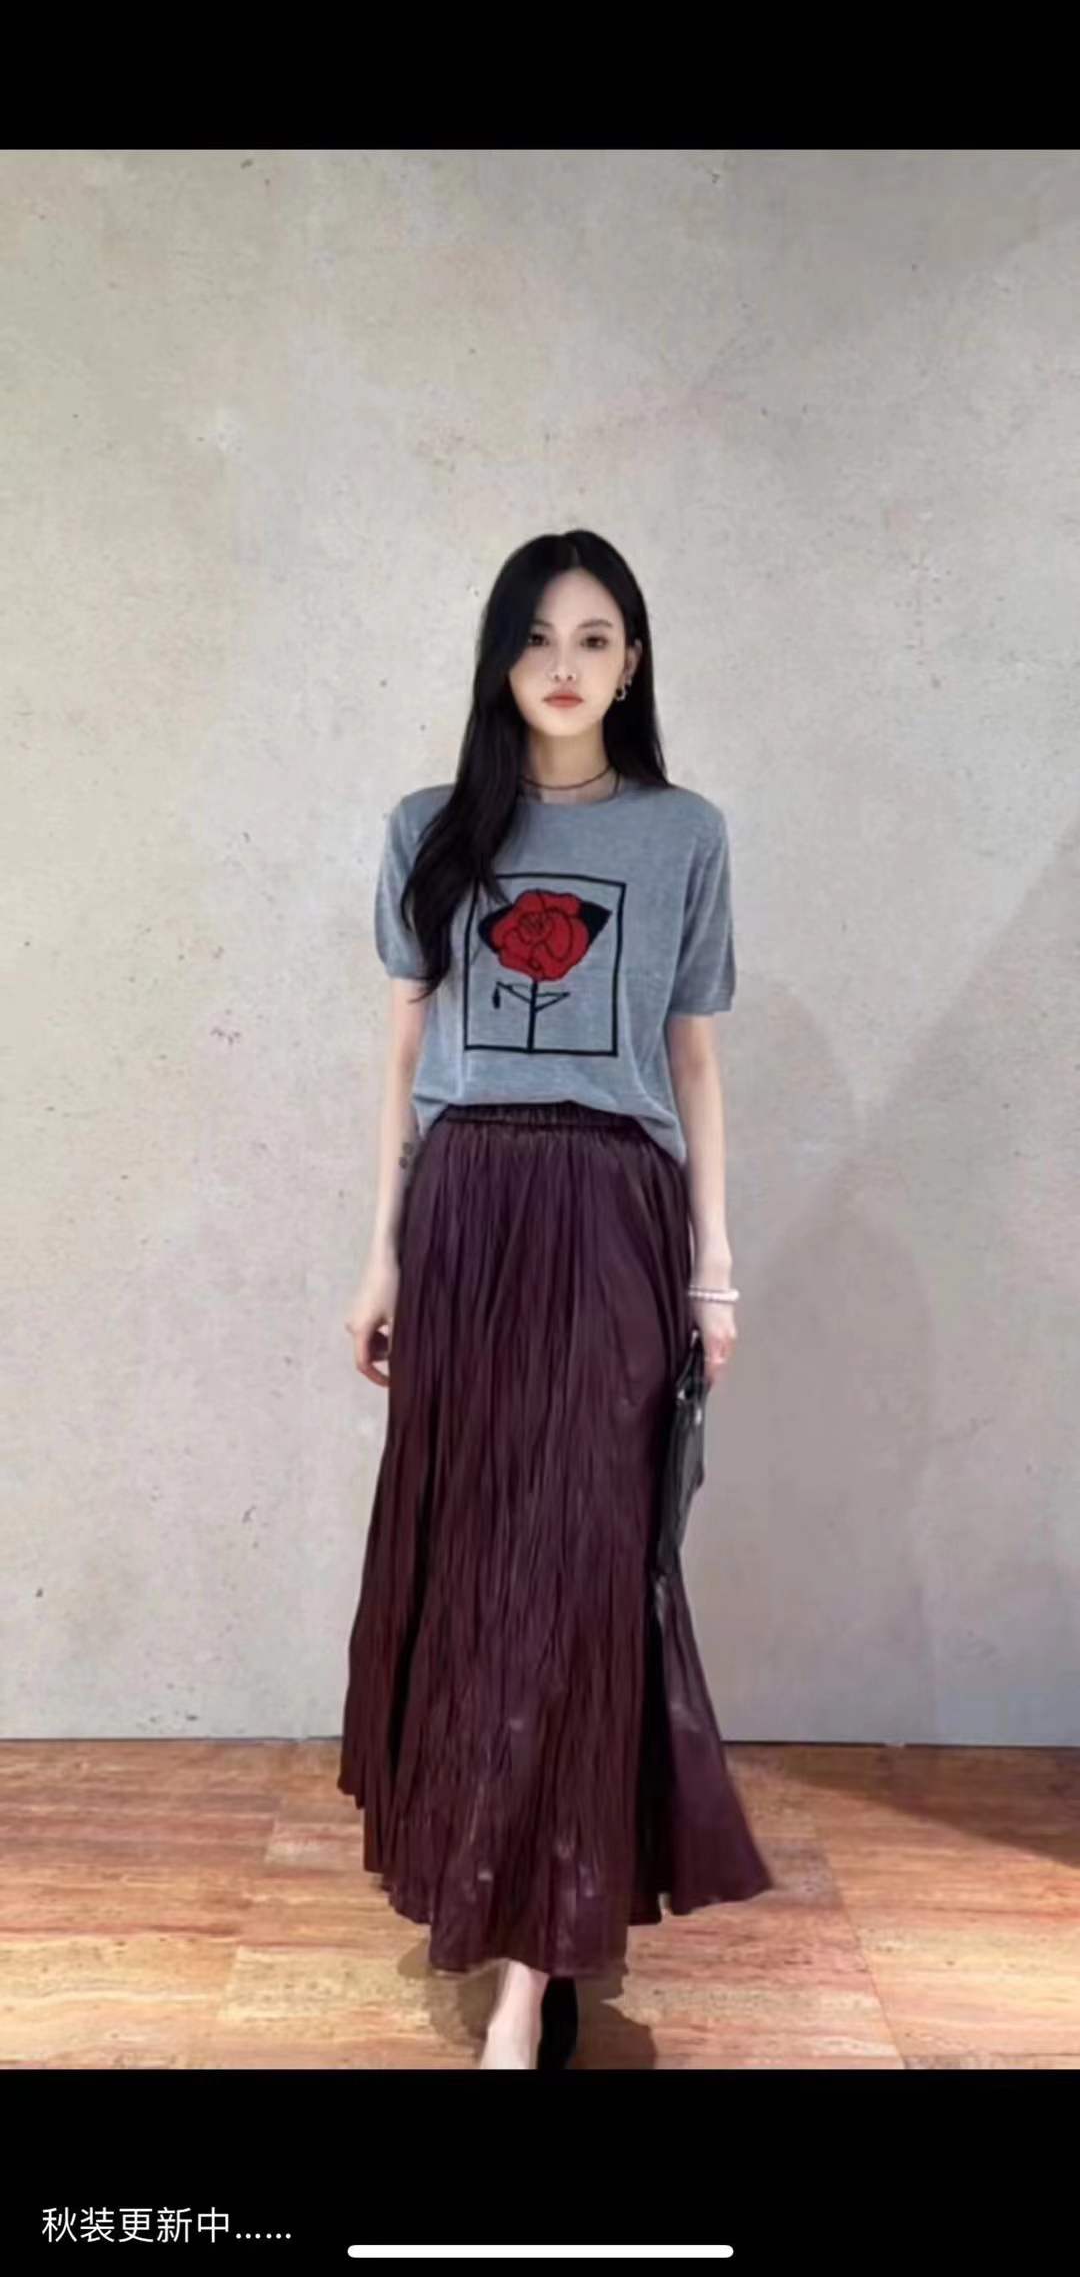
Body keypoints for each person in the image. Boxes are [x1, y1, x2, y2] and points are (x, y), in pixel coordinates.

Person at [338, 528, 774, 2070]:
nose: (564, 665)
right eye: (536, 637)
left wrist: (713, 1269)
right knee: (475, 1566)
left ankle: (531, 1978)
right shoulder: (430, 827)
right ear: (500, 660)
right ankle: (499, 1887)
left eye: (594, 638)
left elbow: (692, 1059)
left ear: (633, 663)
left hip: (612, 1214)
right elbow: (409, 1051)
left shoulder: (684, 835)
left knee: (584, 1568)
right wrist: (382, 1253)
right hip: (469, 1210)